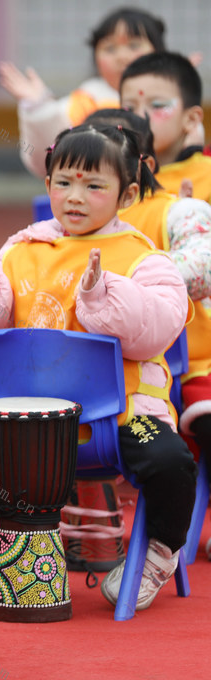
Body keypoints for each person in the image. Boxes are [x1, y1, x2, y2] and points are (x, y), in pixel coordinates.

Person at [0, 122, 196, 612]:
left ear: (127, 193)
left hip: (120, 414)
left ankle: (158, 552)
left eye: (95, 186)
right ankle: (16, 532)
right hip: (21, 420)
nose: (76, 196)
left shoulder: (146, 259)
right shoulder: (20, 249)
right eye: (64, 182)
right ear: (47, 185)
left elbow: (159, 329)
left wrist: (102, 296)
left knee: (173, 463)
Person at [85, 107, 211, 554]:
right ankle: (38, 530)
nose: (81, 187)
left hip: (159, 384)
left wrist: (119, 284)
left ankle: (157, 551)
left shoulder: (169, 218)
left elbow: (199, 265)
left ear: (139, 172)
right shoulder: (47, 236)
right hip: (72, 395)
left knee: (175, 449)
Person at [1, 7, 163, 178]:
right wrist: (39, 109)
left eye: (133, 45)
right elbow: (46, 162)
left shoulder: (172, 97)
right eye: (110, 49)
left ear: (159, 52)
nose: (121, 56)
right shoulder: (86, 100)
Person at [120, 51, 211, 202]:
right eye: (129, 108)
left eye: (157, 105)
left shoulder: (207, 177)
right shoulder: (113, 177)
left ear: (191, 119)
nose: (140, 116)